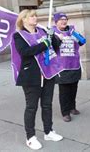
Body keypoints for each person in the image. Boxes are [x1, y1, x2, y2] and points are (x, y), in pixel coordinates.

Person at [12, 9, 64, 150]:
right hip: (32, 76)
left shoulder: (43, 31)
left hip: (48, 73)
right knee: (32, 107)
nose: (35, 18)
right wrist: (44, 44)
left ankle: (48, 131)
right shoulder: (19, 36)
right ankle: (30, 137)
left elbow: (55, 47)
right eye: (32, 16)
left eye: (35, 16)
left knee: (47, 104)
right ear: (24, 20)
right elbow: (25, 52)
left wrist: (52, 37)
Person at [52, 12, 86, 122]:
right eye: (61, 19)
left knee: (73, 88)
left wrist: (75, 34)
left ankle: (72, 107)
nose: (63, 21)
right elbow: (51, 47)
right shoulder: (53, 33)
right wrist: (59, 39)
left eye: (65, 19)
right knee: (64, 91)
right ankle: (65, 112)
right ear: (56, 22)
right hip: (62, 67)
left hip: (74, 65)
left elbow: (82, 42)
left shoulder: (72, 31)